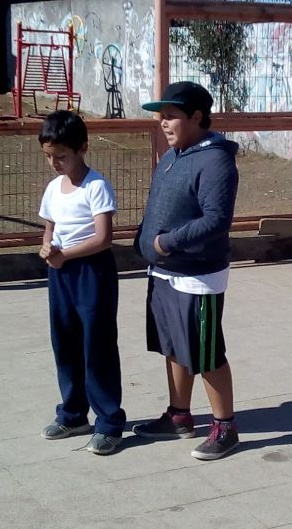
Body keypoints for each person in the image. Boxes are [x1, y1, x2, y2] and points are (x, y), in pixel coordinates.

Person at [131, 81, 242, 461]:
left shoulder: (216, 162)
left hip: (197, 277)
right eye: (161, 116)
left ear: (196, 117)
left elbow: (216, 220)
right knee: (174, 346)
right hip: (165, 273)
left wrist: (166, 242)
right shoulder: (173, 155)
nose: (163, 123)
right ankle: (179, 415)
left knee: (206, 354)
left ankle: (225, 427)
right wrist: (144, 238)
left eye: (171, 116)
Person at [36, 110, 126, 455]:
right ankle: (73, 414)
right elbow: (50, 229)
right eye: (48, 156)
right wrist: (47, 248)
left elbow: (103, 238)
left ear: (82, 148)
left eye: (61, 156)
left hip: (92, 272)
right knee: (65, 342)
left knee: (97, 346)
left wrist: (66, 255)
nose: (54, 163)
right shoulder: (53, 188)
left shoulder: (96, 186)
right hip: (60, 274)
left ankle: (109, 423)